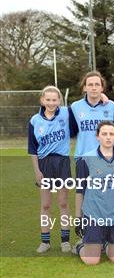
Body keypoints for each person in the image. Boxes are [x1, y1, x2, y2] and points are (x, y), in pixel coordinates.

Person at [73, 121, 114, 264]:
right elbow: (80, 190)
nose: (108, 137)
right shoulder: (85, 159)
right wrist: (78, 218)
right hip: (94, 214)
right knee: (92, 261)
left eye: (111, 134)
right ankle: (80, 245)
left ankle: (105, 242)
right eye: (104, 134)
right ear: (97, 137)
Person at [28, 86, 72, 253]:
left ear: (59, 101)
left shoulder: (66, 113)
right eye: (48, 99)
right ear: (42, 100)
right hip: (44, 164)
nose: (51, 103)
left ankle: (65, 241)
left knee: (62, 202)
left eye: (55, 100)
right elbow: (32, 149)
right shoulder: (34, 120)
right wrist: (37, 171)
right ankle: (45, 241)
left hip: (62, 162)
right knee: (45, 205)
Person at [69, 71, 114, 158]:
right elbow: (72, 132)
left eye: (97, 84)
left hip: (107, 158)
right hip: (83, 157)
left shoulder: (112, 106)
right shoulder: (75, 107)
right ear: (84, 88)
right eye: (90, 85)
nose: (94, 88)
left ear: (102, 88)